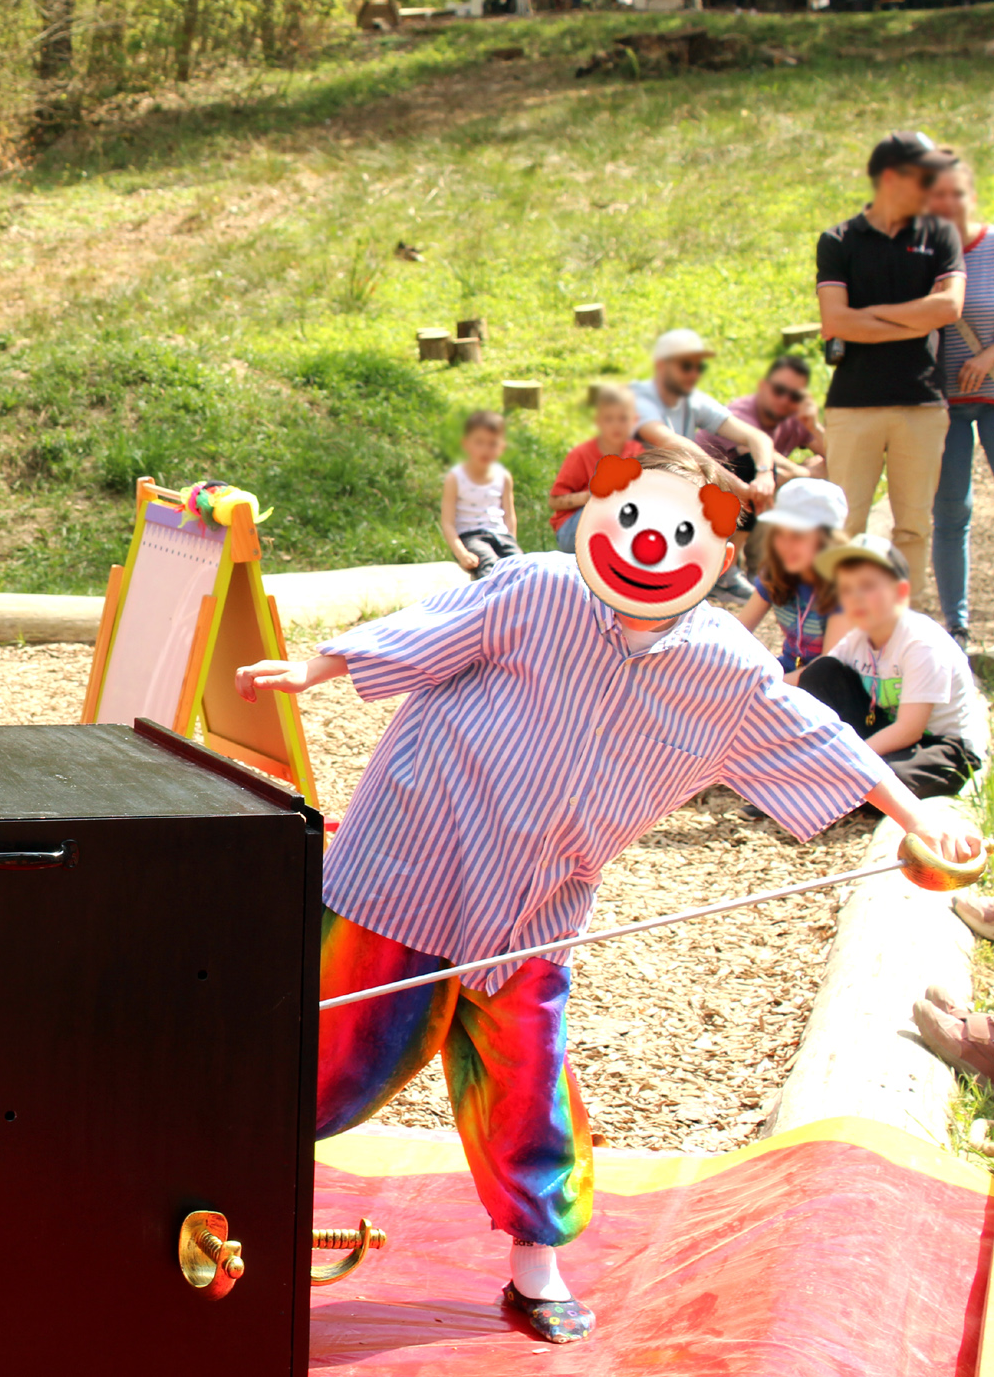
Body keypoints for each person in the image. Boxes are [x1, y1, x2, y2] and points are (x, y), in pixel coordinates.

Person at [236, 448, 980, 1346]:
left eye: (680, 532)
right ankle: (215, 1172)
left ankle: (535, 1262)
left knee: (526, 1082)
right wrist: (317, 668)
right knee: (337, 1056)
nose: (649, 546)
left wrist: (916, 820)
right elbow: (432, 625)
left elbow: (823, 739)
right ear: (601, 513)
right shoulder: (537, 588)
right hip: (413, 863)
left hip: (535, 908)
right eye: (632, 518)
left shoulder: (724, 669)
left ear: (713, 551)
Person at [816, 131, 965, 605]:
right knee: (845, 522)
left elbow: (949, 309)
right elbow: (834, 321)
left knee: (914, 525)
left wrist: (871, 317)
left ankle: (906, 624)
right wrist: (914, 315)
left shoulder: (940, 234)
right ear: (890, 176)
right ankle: (836, 629)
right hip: (853, 405)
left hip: (921, 403)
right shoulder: (838, 240)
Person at [799, 533, 987, 798]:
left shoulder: (921, 642)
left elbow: (910, 729)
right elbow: (803, 678)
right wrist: (758, 681)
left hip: (940, 746)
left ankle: (832, 784)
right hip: (886, 734)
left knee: (890, 779)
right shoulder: (858, 639)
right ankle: (834, 782)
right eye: (846, 588)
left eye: (867, 586)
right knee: (821, 673)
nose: (856, 597)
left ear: (900, 592)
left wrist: (849, 758)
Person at [631, 328, 777, 601]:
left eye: (699, 365)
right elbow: (670, 442)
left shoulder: (690, 399)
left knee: (749, 463)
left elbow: (755, 437)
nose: (694, 372)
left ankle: (726, 567)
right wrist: (735, 485)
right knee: (691, 475)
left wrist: (764, 474)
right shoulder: (638, 399)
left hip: (681, 479)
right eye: (687, 365)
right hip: (640, 487)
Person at [928, 153, 994, 649]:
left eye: (957, 194)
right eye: (938, 195)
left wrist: (989, 356)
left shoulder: (992, 246)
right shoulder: (922, 253)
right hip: (943, 404)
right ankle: (958, 624)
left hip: (992, 394)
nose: (948, 204)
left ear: (972, 195)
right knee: (952, 512)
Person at [733, 478, 850, 677]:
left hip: (833, 685)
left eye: (798, 536)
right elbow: (736, 633)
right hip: (788, 672)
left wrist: (768, 686)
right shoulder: (776, 573)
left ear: (828, 540)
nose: (786, 545)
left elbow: (828, 667)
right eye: (780, 533)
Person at [696, 354, 828, 482]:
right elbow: (759, 459)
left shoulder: (794, 415)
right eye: (779, 390)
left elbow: (835, 455)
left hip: (744, 485)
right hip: (703, 484)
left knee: (817, 463)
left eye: (795, 395)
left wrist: (814, 426)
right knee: (778, 475)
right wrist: (807, 473)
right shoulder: (741, 413)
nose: (784, 400)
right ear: (763, 386)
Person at [549, 384, 644, 552]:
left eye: (623, 419)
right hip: (573, 528)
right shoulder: (581, 455)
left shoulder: (636, 451)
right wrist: (592, 496)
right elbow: (555, 501)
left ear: (634, 421)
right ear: (598, 421)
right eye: (609, 419)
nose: (616, 425)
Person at [441, 410, 518, 580]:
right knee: (489, 564)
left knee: (519, 565)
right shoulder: (455, 478)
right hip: (472, 536)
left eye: (492, 444)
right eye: (479, 442)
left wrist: (511, 541)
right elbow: (447, 523)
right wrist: (461, 554)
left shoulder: (503, 477)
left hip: (501, 535)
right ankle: (490, 603)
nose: (486, 449)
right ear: (466, 444)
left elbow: (510, 516)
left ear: (502, 447)